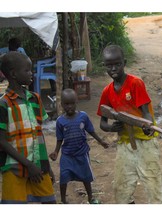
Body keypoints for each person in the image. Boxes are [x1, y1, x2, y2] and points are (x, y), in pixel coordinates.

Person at [97, 44, 162, 204]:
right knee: (121, 190)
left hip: (145, 143)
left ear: (124, 63)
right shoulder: (107, 91)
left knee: (154, 187)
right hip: (124, 144)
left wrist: (149, 124)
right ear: (105, 66)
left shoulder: (135, 83)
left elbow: (146, 111)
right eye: (109, 65)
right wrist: (112, 128)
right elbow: (103, 123)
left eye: (117, 64)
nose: (113, 68)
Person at [0, 51, 56, 204]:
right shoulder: (3, 104)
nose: (31, 73)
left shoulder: (35, 99)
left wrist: (47, 166)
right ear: (13, 74)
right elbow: (2, 142)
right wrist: (28, 165)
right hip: (14, 168)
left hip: (39, 165)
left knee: (50, 201)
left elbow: (39, 135)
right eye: (27, 70)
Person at [49, 88, 109, 204]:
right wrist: (56, 151)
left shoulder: (83, 117)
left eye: (72, 103)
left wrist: (101, 141)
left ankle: (90, 197)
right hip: (67, 155)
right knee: (64, 177)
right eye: (66, 104)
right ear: (61, 105)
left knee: (86, 177)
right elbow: (60, 138)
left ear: (76, 103)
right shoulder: (60, 121)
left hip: (82, 153)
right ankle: (63, 200)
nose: (69, 106)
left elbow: (91, 131)